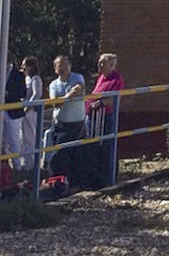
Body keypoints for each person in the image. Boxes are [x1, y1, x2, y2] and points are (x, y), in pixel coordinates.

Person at [45, 56, 88, 184]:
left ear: (70, 65)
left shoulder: (77, 77)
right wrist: (67, 97)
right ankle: (58, 181)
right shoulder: (53, 84)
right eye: (60, 65)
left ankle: (72, 181)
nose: (63, 68)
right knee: (58, 153)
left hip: (77, 123)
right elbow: (55, 103)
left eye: (65, 64)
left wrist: (65, 97)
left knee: (72, 153)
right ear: (55, 69)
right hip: (60, 123)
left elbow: (78, 89)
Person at [86, 53, 124, 140]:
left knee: (103, 143)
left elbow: (116, 98)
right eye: (98, 62)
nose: (98, 65)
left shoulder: (116, 78)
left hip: (103, 117)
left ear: (111, 66)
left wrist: (100, 103)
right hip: (92, 115)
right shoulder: (101, 77)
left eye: (102, 63)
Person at [3, 59, 25, 181]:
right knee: (3, 142)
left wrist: (7, 94)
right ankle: (5, 168)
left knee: (14, 140)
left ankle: (17, 167)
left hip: (13, 112)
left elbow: (22, 92)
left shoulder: (18, 75)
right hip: (2, 110)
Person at [21, 57, 42, 176]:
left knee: (31, 137)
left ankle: (32, 164)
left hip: (31, 112)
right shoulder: (26, 78)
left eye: (25, 65)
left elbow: (36, 94)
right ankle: (26, 162)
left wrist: (28, 107)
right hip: (24, 111)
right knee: (24, 137)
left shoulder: (35, 78)